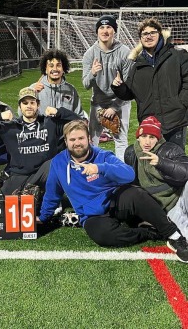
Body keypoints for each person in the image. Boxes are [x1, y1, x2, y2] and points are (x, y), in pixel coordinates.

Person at [38, 120, 188, 263]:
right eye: (72, 139)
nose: (77, 143)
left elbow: (129, 174)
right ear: (66, 141)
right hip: (91, 215)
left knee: (136, 194)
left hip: (114, 201)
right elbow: (52, 194)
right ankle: (150, 232)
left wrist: (100, 168)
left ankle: (174, 236)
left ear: (89, 139)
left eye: (81, 138)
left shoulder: (102, 155)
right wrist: (43, 217)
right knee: (104, 237)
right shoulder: (58, 163)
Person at [0, 87, 81, 205]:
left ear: (38, 105)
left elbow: (78, 122)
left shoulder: (50, 123)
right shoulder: (10, 127)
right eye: (25, 103)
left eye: (32, 102)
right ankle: (33, 193)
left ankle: (47, 196)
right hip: (19, 175)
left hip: (44, 175)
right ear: (20, 106)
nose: (29, 106)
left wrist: (58, 112)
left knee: (53, 163)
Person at [111, 17, 188, 150]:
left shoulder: (177, 55)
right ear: (140, 39)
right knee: (152, 166)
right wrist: (119, 87)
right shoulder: (137, 66)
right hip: (149, 125)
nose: (149, 36)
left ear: (160, 34)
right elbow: (129, 93)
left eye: (153, 32)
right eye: (145, 34)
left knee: (175, 164)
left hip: (175, 121)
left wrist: (181, 104)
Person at [124, 116, 188, 239]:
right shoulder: (131, 153)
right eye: (144, 136)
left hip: (178, 200)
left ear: (158, 139)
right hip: (164, 210)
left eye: (152, 137)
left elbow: (185, 171)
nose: (147, 142)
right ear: (138, 137)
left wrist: (161, 163)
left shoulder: (170, 149)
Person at [82, 15, 132, 160]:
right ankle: (92, 170)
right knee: (92, 139)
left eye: (109, 27)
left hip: (120, 102)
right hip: (98, 102)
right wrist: (92, 73)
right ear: (97, 31)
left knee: (120, 140)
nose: (105, 30)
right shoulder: (90, 54)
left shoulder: (124, 52)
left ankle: (121, 175)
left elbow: (129, 87)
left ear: (114, 31)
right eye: (101, 27)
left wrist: (115, 107)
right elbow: (85, 84)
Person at [30, 48, 85, 118]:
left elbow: (80, 116)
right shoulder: (34, 88)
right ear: (45, 69)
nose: (55, 69)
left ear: (63, 69)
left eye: (58, 65)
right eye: (51, 66)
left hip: (65, 128)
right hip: (42, 128)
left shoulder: (71, 90)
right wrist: (32, 94)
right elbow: (22, 114)